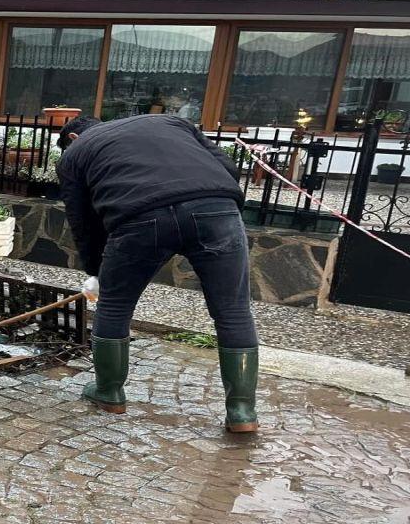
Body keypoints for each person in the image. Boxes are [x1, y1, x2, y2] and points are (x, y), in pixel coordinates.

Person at [57, 114, 259, 432]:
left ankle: (110, 392)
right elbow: (227, 166)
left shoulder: (74, 154)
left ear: (71, 138)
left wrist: (95, 271)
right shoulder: (171, 121)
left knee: (114, 305)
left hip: (139, 216)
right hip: (215, 208)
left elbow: (82, 221)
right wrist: (215, 202)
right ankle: (242, 412)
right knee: (233, 311)